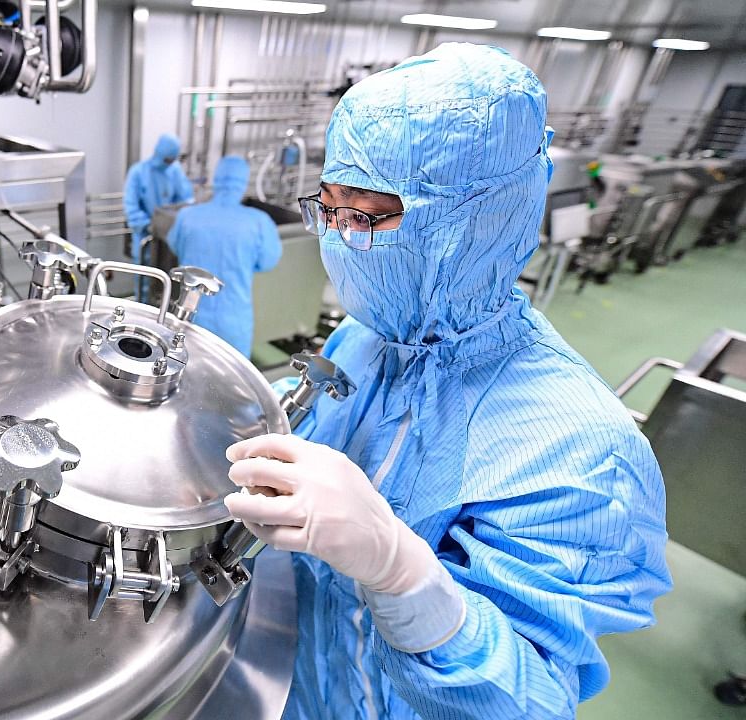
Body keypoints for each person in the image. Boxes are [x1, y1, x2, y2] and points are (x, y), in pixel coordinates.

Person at [222, 43, 671, 720]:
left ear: (472, 221)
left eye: (368, 215)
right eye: (330, 208)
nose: (341, 240)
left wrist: (404, 575)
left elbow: (527, 701)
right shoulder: (368, 339)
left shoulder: (584, 452)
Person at [167, 155, 282, 357]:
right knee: (229, 380)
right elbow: (267, 262)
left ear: (216, 179)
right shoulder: (258, 222)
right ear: (243, 182)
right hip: (234, 320)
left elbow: (176, 246)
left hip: (190, 314)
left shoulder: (188, 216)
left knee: (183, 366)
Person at [123, 133, 194, 296]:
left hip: (170, 240)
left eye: (171, 160)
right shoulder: (138, 172)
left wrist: (175, 225)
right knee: (144, 282)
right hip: (146, 239)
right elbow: (131, 207)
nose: (168, 163)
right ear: (158, 153)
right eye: (167, 159)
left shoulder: (175, 172)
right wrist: (150, 226)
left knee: (170, 283)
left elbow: (185, 200)